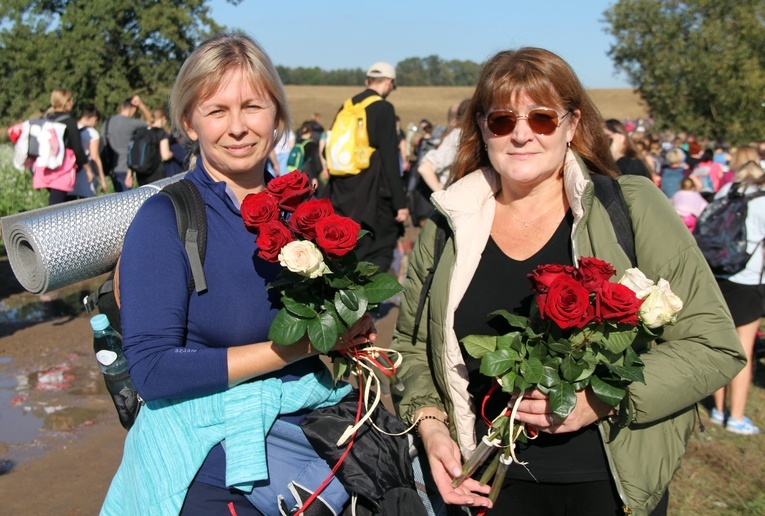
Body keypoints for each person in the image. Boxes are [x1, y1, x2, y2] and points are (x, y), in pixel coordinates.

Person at [391, 47, 745, 515]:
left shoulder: (632, 207)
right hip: (485, 488)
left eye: (541, 119)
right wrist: (432, 425)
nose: (520, 135)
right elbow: (412, 346)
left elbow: (713, 343)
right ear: (481, 128)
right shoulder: (447, 226)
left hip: (607, 487)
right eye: (502, 120)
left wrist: (598, 399)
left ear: (571, 125)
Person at [104, 32, 376, 515]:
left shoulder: (303, 215)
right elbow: (153, 371)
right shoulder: (166, 220)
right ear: (190, 122)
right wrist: (303, 346)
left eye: (252, 107)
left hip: (301, 435)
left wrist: (350, 325)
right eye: (216, 111)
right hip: (207, 463)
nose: (237, 128)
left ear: (276, 116)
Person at [327, 61, 408, 273]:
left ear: (367, 81)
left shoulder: (346, 107)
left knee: (347, 248)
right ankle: (368, 303)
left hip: (343, 192)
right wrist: (400, 202)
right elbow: (390, 157)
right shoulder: (384, 108)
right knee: (378, 249)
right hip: (373, 194)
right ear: (389, 83)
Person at [710, 151, 765, 435]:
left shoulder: (726, 191)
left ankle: (718, 409)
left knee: (722, 342)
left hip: (718, 273)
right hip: (748, 278)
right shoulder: (762, 200)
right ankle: (737, 416)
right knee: (744, 349)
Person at [43, 88, 94, 205]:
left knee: (63, 202)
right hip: (62, 168)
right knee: (56, 205)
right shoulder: (69, 122)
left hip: (44, 167)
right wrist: (87, 169)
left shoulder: (45, 119)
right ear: (66, 102)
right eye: (71, 100)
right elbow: (77, 148)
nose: (72, 103)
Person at [102, 96, 151, 192]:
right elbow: (152, 122)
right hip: (125, 169)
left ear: (122, 106)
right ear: (133, 109)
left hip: (111, 168)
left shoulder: (107, 122)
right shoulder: (131, 123)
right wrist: (141, 105)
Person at [71, 104, 108, 199]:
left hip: (69, 174)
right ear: (94, 119)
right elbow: (94, 157)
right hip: (85, 176)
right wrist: (102, 179)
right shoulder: (92, 133)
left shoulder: (71, 128)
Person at [133, 108, 175, 186]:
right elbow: (165, 155)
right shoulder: (161, 133)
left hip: (141, 174)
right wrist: (173, 153)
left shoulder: (142, 131)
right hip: (155, 174)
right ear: (163, 119)